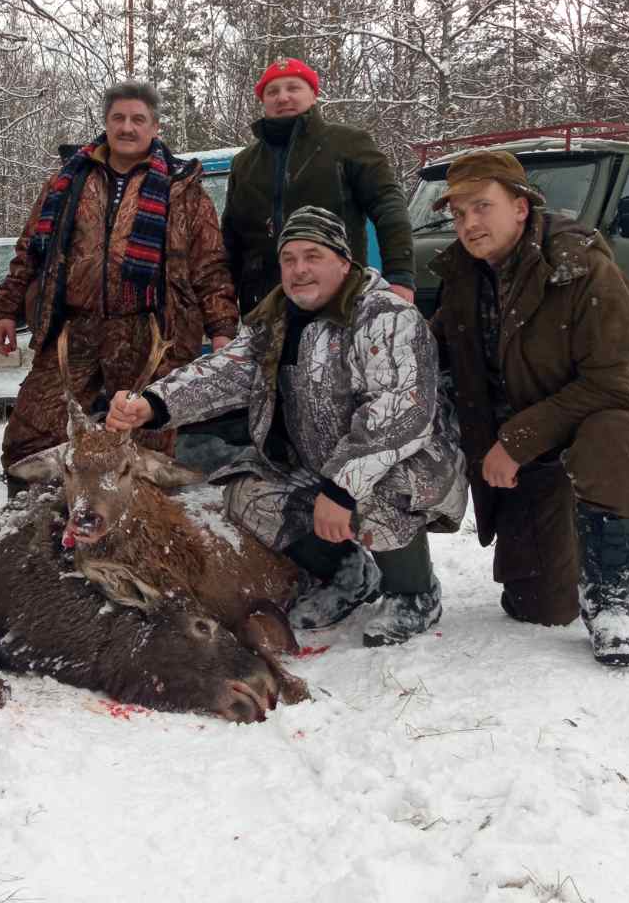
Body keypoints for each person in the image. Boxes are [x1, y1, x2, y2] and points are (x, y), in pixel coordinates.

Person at [108, 205, 467, 647]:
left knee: (380, 490)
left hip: (410, 463)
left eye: (312, 256)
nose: (299, 270)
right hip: (321, 463)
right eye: (289, 259)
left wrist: (340, 489)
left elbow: (400, 415)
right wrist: (153, 403)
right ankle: (347, 574)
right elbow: (226, 371)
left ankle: (414, 593)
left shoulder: (384, 316)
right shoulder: (274, 319)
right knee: (248, 494)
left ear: (343, 259)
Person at [426, 150, 629, 667]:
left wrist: (513, 442)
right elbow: (437, 353)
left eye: (481, 207)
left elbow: (611, 386)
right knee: (537, 605)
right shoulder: (464, 275)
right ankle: (604, 548)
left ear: (521, 207)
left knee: (607, 437)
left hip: (615, 415)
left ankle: (612, 599)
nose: (469, 223)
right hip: (536, 437)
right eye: (458, 213)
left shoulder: (583, 270)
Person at [0, 80, 238, 479]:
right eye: (118, 118)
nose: (128, 127)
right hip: (74, 328)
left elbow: (208, 265)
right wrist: (6, 307)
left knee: (145, 438)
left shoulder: (183, 190)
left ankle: (140, 528)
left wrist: (222, 327)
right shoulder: (67, 181)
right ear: (106, 123)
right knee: (32, 436)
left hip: (150, 333)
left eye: (138, 119)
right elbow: (31, 251)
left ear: (155, 127)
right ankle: (36, 526)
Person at [221, 58, 416, 315]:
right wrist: (224, 311)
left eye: (293, 88)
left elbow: (388, 204)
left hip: (338, 302)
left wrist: (400, 276)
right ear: (263, 102)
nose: (282, 97)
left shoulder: (347, 143)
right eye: (272, 92)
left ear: (313, 94)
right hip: (264, 306)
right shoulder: (244, 163)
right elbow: (231, 240)